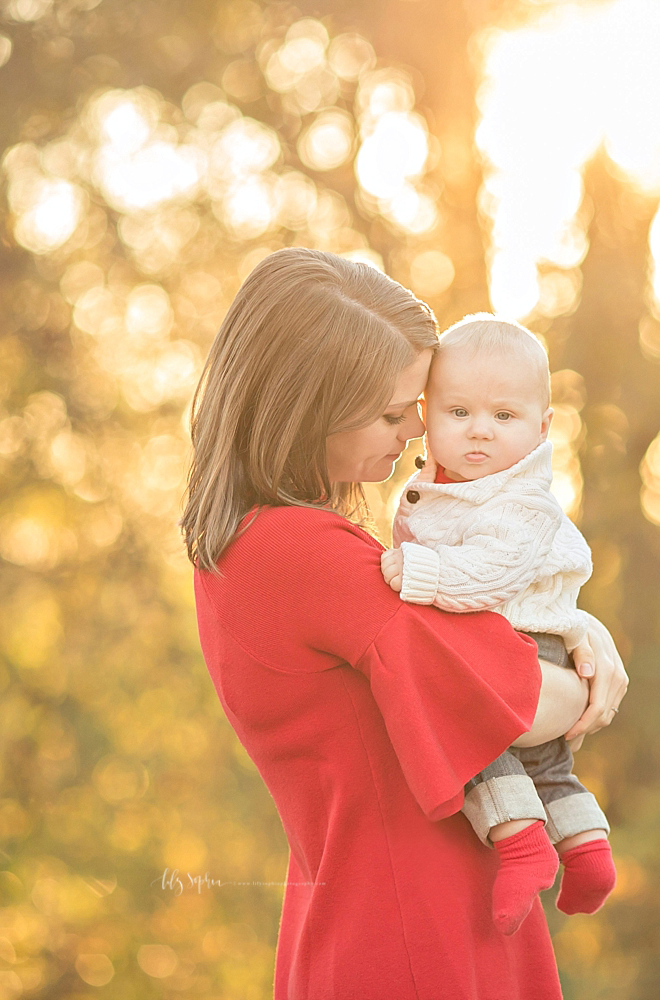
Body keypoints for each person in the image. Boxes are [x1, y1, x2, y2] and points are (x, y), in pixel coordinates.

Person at [180, 247, 628, 999]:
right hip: (414, 933)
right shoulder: (304, 553)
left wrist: (577, 627)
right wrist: (589, 674)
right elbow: (520, 701)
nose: (415, 434)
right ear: (307, 407)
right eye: (392, 414)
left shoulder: (251, 546)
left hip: (382, 918)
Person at [380, 314, 617, 936]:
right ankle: (588, 852)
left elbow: (486, 575)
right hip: (510, 641)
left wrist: (415, 571)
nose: (480, 431)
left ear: (542, 428)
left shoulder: (522, 504)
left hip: (522, 644)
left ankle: (521, 845)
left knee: (465, 735)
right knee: (548, 766)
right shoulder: (451, 486)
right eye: (459, 413)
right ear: (427, 415)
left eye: (503, 417)